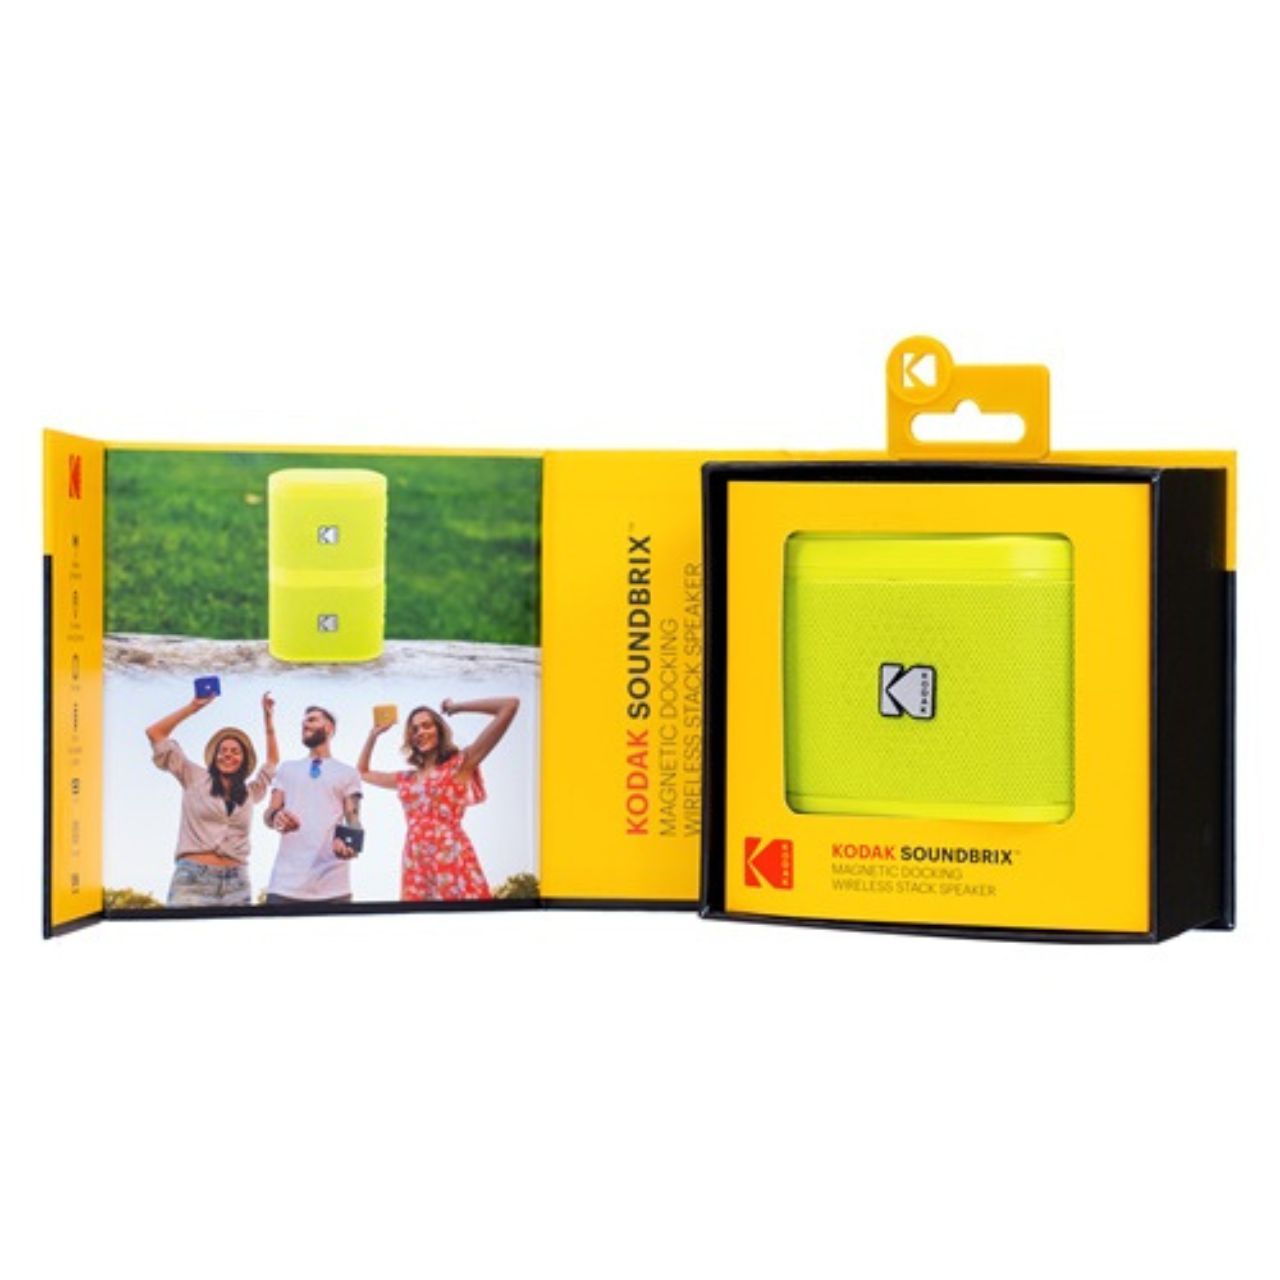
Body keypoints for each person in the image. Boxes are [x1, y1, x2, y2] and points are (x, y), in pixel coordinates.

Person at [358, 696, 519, 901]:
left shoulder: (461, 764)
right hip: (416, 862)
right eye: (414, 730)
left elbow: (510, 706)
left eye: (427, 726)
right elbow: (362, 772)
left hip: (451, 855)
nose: (420, 732)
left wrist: (457, 707)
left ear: (439, 730)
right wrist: (373, 735)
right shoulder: (406, 779)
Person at [146, 691, 279, 907]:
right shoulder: (193, 777)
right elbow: (155, 733)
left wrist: (268, 719)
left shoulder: (249, 793)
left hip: (238, 883)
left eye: (235, 751)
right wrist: (194, 706)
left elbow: (272, 762)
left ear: (243, 760)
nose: (228, 754)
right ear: (215, 757)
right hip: (193, 880)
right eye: (222, 750)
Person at [263, 705, 363, 905]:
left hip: (333, 888)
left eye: (312, 719)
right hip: (284, 887)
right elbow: (269, 813)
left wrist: (351, 845)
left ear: (329, 728)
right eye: (303, 721)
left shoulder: (348, 773)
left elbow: (353, 820)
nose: (304, 724)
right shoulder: (287, 769)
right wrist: (276, 817)